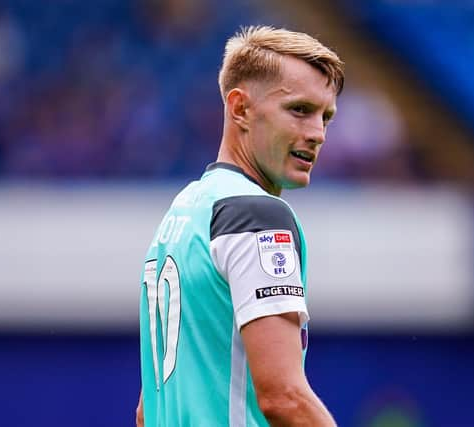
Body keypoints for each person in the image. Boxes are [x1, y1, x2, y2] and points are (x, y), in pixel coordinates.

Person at [137, 25, 344, 426]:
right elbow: (283, 396)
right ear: (240, 109)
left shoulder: (183, 213)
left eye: (326, 117)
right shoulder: (255, 215)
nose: (317, 133)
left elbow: (148, 412)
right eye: (300, 110)